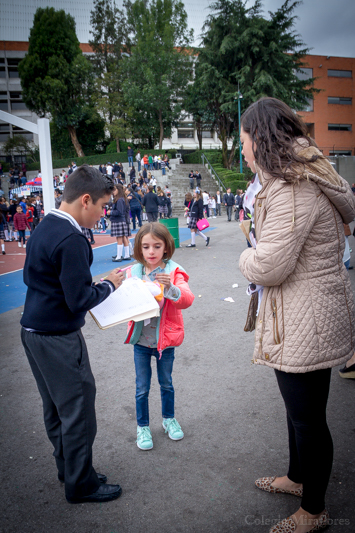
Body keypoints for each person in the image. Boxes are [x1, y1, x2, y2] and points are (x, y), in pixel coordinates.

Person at [238, 97, 355, 533]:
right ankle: (297, 477)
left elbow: (268, 264)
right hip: (305, 313)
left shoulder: (291, 190)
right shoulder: (291, 180)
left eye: (244, 140)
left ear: (261, 139)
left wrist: (245, 258)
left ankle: (315, 509)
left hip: (307, 317)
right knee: (297, 411)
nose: (242, 150)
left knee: (307, 417)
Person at [20, 166, 124, 504]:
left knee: (55, 407)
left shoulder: (44, 226)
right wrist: (108, 285)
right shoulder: (72, 238)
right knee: (78, 409)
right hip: (58, 337)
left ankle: (71, 469)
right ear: (85, 200)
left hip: (33, 329)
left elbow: (31, 278)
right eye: (103, 205)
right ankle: (82, 484)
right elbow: (79, 299)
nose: (103, 213)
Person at [124, 223, 194, 450]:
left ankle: (168, 419)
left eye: (157, 246)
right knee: (142, 387)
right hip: (141, 342)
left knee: (166, 384)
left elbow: (187, 299)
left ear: (166, 247)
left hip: (166, 342)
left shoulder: (173, 271)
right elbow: (123, 301)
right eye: (146, 246)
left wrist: (171, 288)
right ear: (139, 248)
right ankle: (142, 426)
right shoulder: (133, 272)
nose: (151, 251)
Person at [109, 184, 131, 262]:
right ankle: (126, 254)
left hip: (118, 220)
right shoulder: (122, 199)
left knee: (119, 238)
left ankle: (119, 256)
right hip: (122, 220)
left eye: (114, 190)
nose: (113, 192)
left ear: (118, 190)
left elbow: (119, 211)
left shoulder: (120, 200)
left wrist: (110, 212)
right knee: (123, 237)